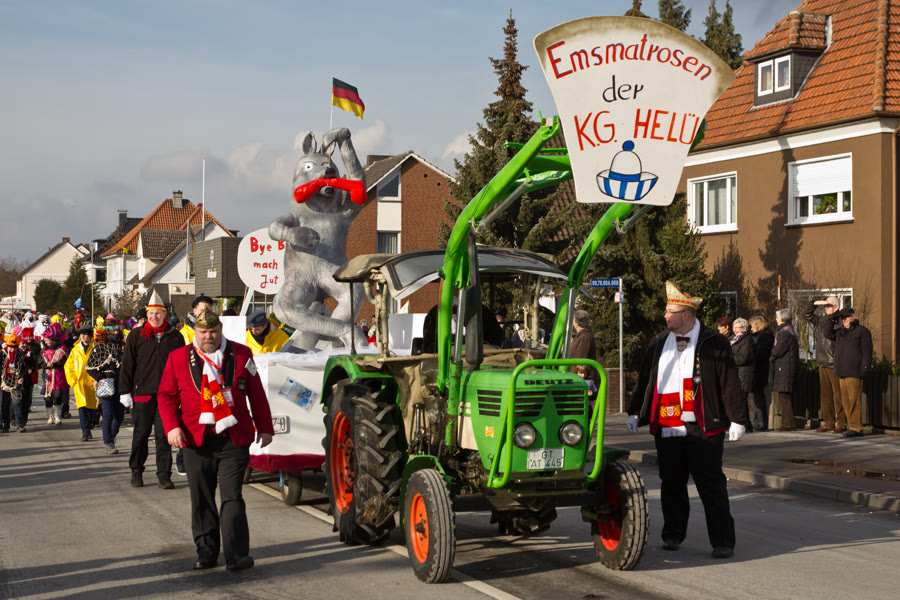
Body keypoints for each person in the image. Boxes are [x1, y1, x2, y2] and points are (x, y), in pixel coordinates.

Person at [626, 281, 747, 559]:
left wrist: (737, 419)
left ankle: (723, 541)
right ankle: (672, 534)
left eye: (670, 312)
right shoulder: (659, 342)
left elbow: (729, 381)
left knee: (711, 484)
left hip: (703, 424)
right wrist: (635, 411)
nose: (665, 316)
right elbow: (645, 379)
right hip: (667, 423)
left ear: (687, 315)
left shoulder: (713, 342)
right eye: (666, 311)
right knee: (671, 483)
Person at [158, 309, 274, 571]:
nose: (208, 337)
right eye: (203, 332)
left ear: (220, 331)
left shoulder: (242, 354)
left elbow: (256, 392)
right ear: (195, 332)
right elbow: (166, 396)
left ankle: (237, 555)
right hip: (195, 439)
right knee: (202, 497)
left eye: (213, 332)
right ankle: (207, 551)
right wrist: (172, 427)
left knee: (232, 496)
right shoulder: (178, 358)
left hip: (233, 437)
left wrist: (265, 427)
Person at [119, 290, 186, 488]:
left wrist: (182, 392)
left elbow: (182, 367)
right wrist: (125, 391)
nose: (154, 317)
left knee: (164, 436)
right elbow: (128, 365)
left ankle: (164, 475)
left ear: (165, 314)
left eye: (158, 314)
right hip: (142, 394)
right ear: (146, 315)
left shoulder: (175, 337)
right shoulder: (136, 335)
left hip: (167, 396)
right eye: (151, 314)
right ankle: (136, 470)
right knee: (140, 434)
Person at [826, 307, 873, 438]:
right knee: (845, 401)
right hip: (841, 370)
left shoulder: (862, 331)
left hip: (854, 371)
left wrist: (865, 368)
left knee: (854, 400)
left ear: (853, 316)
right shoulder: (840, 332)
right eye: (842, 318)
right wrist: (834, 316)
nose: (844, 320)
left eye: (846, 317)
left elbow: (867, 351)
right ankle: (852, 425)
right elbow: (827, 332)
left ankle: (857, 427)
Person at [804, 297, 845, 433]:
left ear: (837, 307)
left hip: (834, 362)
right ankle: (828, 423)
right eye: (826, 306)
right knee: (825, 396)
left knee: (838, 396)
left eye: (829, 305)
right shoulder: (822, 320)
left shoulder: (840, 321)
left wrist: (832, 318)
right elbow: (807, 315)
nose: (827, 308)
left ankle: (841, 423)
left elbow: (833, 335)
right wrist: (814, 303)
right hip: (822, 361)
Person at [87, 327, 125, 454]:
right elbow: (89, 367)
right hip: (106, 386)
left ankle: (111, 436)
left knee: (119, 416)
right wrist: (102, 378)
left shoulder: (123, 348)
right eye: (112, 330)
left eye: (117, 330)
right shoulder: (100, 348)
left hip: (121, 386)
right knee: (108, 414)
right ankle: (108, 442)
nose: (115, 333)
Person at [64, 325, 98, 442]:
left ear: (90, 336)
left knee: (92, 408)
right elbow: (68, 367)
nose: (83, 337)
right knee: (82, 407)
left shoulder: (96, 348)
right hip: (80, 383)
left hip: (93, 383)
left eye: (86, 334)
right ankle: (85, 431)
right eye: (82, 334)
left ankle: (89, 427)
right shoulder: (75, 350)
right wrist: (73, 381)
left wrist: (99, 379)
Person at [770, 309, 800, 431]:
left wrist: (772, 354)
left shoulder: (785, 333)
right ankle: (787, 422)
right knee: (784, 396)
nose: (776, 319)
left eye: (777, 317)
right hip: (785, 366)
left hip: (785, 367)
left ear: (783, 318)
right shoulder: (787, 331)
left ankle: (788, 423)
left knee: (784, 396)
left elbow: (778, 350)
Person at [2, 334, 36, 433]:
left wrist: (21, 377)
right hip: (4, 383)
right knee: (4, 404)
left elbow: (24, 368)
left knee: (17, 403)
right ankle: (5, 425)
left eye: (14, 347)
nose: (12, 349)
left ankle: (20, 424)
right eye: (11, 347)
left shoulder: (20, 355)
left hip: (16, 382)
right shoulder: (2, 354)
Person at [730, 318, 758, 431]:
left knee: (742, 399)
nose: (735, 330)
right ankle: (744, 424)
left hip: (744, 373)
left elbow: (744, 358)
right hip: (737, 372)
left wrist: (729, 357)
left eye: (738, 328)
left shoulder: (747, 340)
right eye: (734, 327)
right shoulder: (735, 339)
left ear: (744, 328)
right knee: (739, 399)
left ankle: (745, 424)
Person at [39, 322, 69, 425]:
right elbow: (40, 362)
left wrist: (54, 364)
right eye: (46, 341)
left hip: (58, 376)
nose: (47, 343)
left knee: (58, 395)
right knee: (48, 397)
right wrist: (46, 365)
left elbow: (64, 362)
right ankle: (50, 416)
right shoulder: (43, 351)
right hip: (47, 377)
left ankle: (57, 416)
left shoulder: (61, 349)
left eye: (49, 340)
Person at [748, 316, 773, 431]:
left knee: (758, 397)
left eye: (752, 326)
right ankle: (758, 421)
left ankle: (761, 422)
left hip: (759, 370)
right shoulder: (760, 336)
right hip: (758, 370)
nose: (751, 328)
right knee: (755, 397)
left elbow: (761, 354)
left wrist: (752, 358)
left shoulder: (763, 337)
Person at [570, 309, 600, 392]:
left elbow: (581, 359)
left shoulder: (584, 337)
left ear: (577, 322)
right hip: (582, 377)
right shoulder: (582, 335)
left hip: (583, 378)